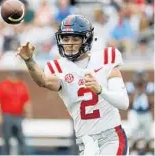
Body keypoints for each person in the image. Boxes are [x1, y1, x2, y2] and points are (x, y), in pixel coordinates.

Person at [17, 14, 129, 155]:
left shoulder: (106, 58)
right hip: (85, 141)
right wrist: (30, 61)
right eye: (65, 38)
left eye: (75, 38)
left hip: (111, 137)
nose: (69, 43)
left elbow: (123, 103)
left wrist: (100, 90)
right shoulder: (58, 67)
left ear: (86, 39)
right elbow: (43, 81)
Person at [0, 71, 32, 155]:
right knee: (6, 137)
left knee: (21, 138)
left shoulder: (22, 85)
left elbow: (26, 100)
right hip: (7, 115)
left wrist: (28, 113)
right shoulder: (3, 85)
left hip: (18, 115)